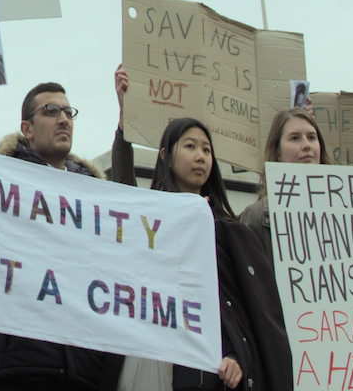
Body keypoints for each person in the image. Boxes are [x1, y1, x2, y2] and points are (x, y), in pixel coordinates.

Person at [0, 85, 122, 391]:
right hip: (20, 366)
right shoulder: (0, 183)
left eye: (68, 112)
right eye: (50, 111)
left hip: (83, 370)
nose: (63, 119)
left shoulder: (96, 197)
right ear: (27, 128)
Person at [114, 110, 292, 391]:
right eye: (190, 146)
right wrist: (124, 133)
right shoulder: (147, 222)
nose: (201, 156)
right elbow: (123, 194)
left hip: (204, 373)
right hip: (153, 360)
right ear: (165, 157)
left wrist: (235, 355)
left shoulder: (228, 234)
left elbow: (238, 308)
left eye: (207, 150)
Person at [236, 105, 353, 261]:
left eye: (311, 137)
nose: (306, 145)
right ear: (278, 153)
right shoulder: (256, 218)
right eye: (295, 138)